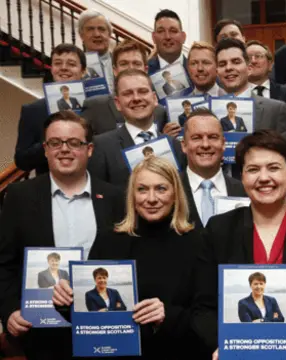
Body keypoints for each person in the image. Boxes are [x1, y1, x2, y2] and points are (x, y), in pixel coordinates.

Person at [192, 130, 286, 360]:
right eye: (253, 169)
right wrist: (219, 345)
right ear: (241, 177)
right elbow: (202, 307)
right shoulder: (218, 230)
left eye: (273, 168)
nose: (264, 178)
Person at [53, 156, 207, 359]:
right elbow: (87, 314)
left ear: (176, 194)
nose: (151, 199)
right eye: (142, 189)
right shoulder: (109, 240)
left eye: (161, 189)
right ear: (132, 195)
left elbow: (207, 316)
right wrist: (66, 301)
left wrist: (168, 317)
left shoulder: (198, 242)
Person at [0, 111, 124, 360]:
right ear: (45, 149)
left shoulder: (115, 198)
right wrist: (10, 310)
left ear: (89, 149)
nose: (64, 150)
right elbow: (4, 264)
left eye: (74, 143)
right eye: (55, 143)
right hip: (43, 331)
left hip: (104, 329)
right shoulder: (18, 197)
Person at [88, 68, 185, 188]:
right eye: (128, 93)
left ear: (154, 98)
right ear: (118, 103)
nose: (136, 98)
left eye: (143, 91)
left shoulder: (175, 145)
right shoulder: (102, 146)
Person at [15, 43, 86, 174]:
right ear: (52, 68)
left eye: (71, 64)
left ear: (83, 71)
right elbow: (22, 161)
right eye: (58, 63)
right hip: (48, 188)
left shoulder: (97, 106)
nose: (64, 68)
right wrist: (51, 141)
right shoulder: (32, 110)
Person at [81, 40, 169, 136]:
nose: (130, 68)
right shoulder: (94, 107)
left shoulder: (160, 112)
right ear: (115, 70)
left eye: (136, 63)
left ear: (146, 70)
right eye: (124, 64)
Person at [180, 108, 246, 229]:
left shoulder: (244, 192)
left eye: (213, 137)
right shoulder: (170, 190)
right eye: (196, 138)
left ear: (223, 144)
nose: (205, 145)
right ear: (184, 145)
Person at [215, 38, 286, 133]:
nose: (228, 68)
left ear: (249, 69)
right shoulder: (208, 110)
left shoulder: (276, 110)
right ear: (217, 72)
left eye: (236, 62)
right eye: (222, 64)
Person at [77, 10, 114, 91]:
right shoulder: (76, 65)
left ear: (109, 34)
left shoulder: (121, 62)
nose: (97, 34)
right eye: (90, 29)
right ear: (81, 35)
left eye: (101, 29)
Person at [148, 9, 188, 75]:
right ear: (153, 37)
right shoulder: (143, 70)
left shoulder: (196, 70)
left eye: (173, 31)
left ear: (183, 37)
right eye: (161, 31)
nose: (167, 37)